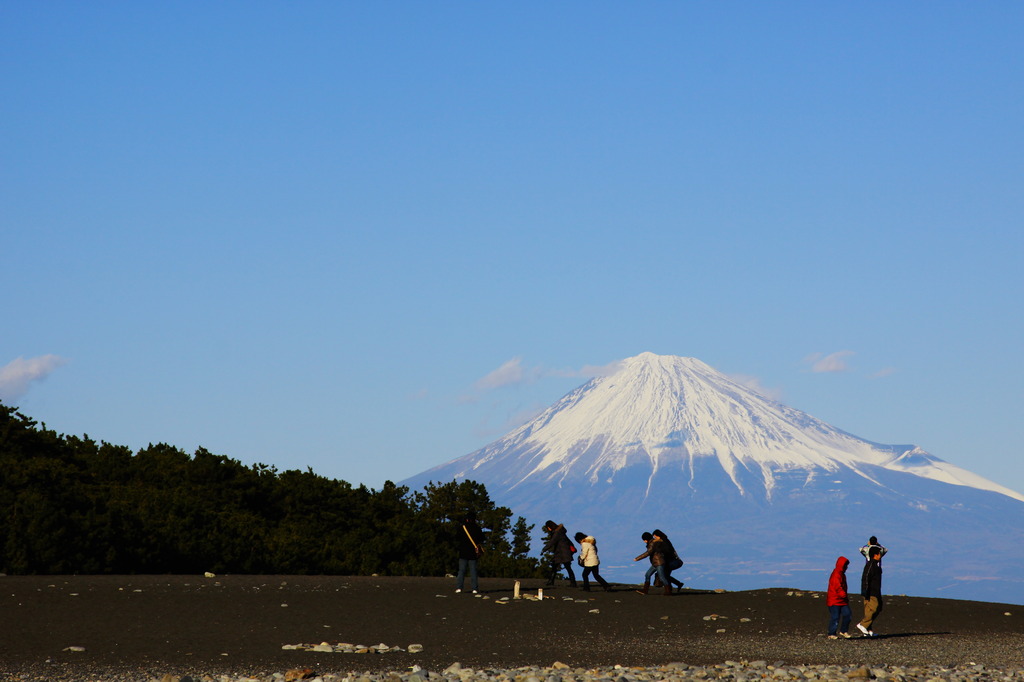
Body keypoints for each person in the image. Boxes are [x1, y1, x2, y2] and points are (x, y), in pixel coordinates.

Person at [455, 511, 484, 594]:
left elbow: (457, 538)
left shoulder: (462, 528)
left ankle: (459, 588)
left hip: (463, 552)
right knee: (473, 571)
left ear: (467, 519)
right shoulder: (477, 528)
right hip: (473, 553)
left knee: (461, 571)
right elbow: (482, 538)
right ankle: (474, 588)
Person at [634, 531, 671, 595]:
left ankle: (668, 591)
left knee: (662, 577)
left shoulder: (652, 544)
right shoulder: (653, 542)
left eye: (644, 540)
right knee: (647, 574)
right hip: (655, 563)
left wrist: (637, 558)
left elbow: (648, 552)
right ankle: (645, 590)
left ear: (646, 539)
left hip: (659, 563)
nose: (644, 541)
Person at [857, 546, 884, 636]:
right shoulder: (870, 565)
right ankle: (863, 624)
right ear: (875, 555)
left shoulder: (876, 565)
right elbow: (866, 578)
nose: (880, 555)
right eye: (879, 554)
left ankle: (868, 630)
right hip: (871, 591)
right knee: (873, 608)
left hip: (876, 591)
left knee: (878, 608)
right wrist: (865, 590)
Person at [543, 520, 577, 587]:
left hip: (561, 552)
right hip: (564, 552)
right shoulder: (561, 532)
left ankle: (551, 581)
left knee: (557, 567)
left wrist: (544, 549)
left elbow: (552, 542)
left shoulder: (557, 533)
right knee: (567, 567)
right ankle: (573, 582)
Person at [826, 556, 853, 639]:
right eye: (845, 565)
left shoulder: (841, 574)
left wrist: (845, 597)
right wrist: (843, 595)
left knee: (847, 615)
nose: (846, 567)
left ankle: (843, 630)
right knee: (835, 617)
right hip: (834, 600)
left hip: (842, 600)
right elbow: (838, 587)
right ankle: (831, 633)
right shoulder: (836, 575)